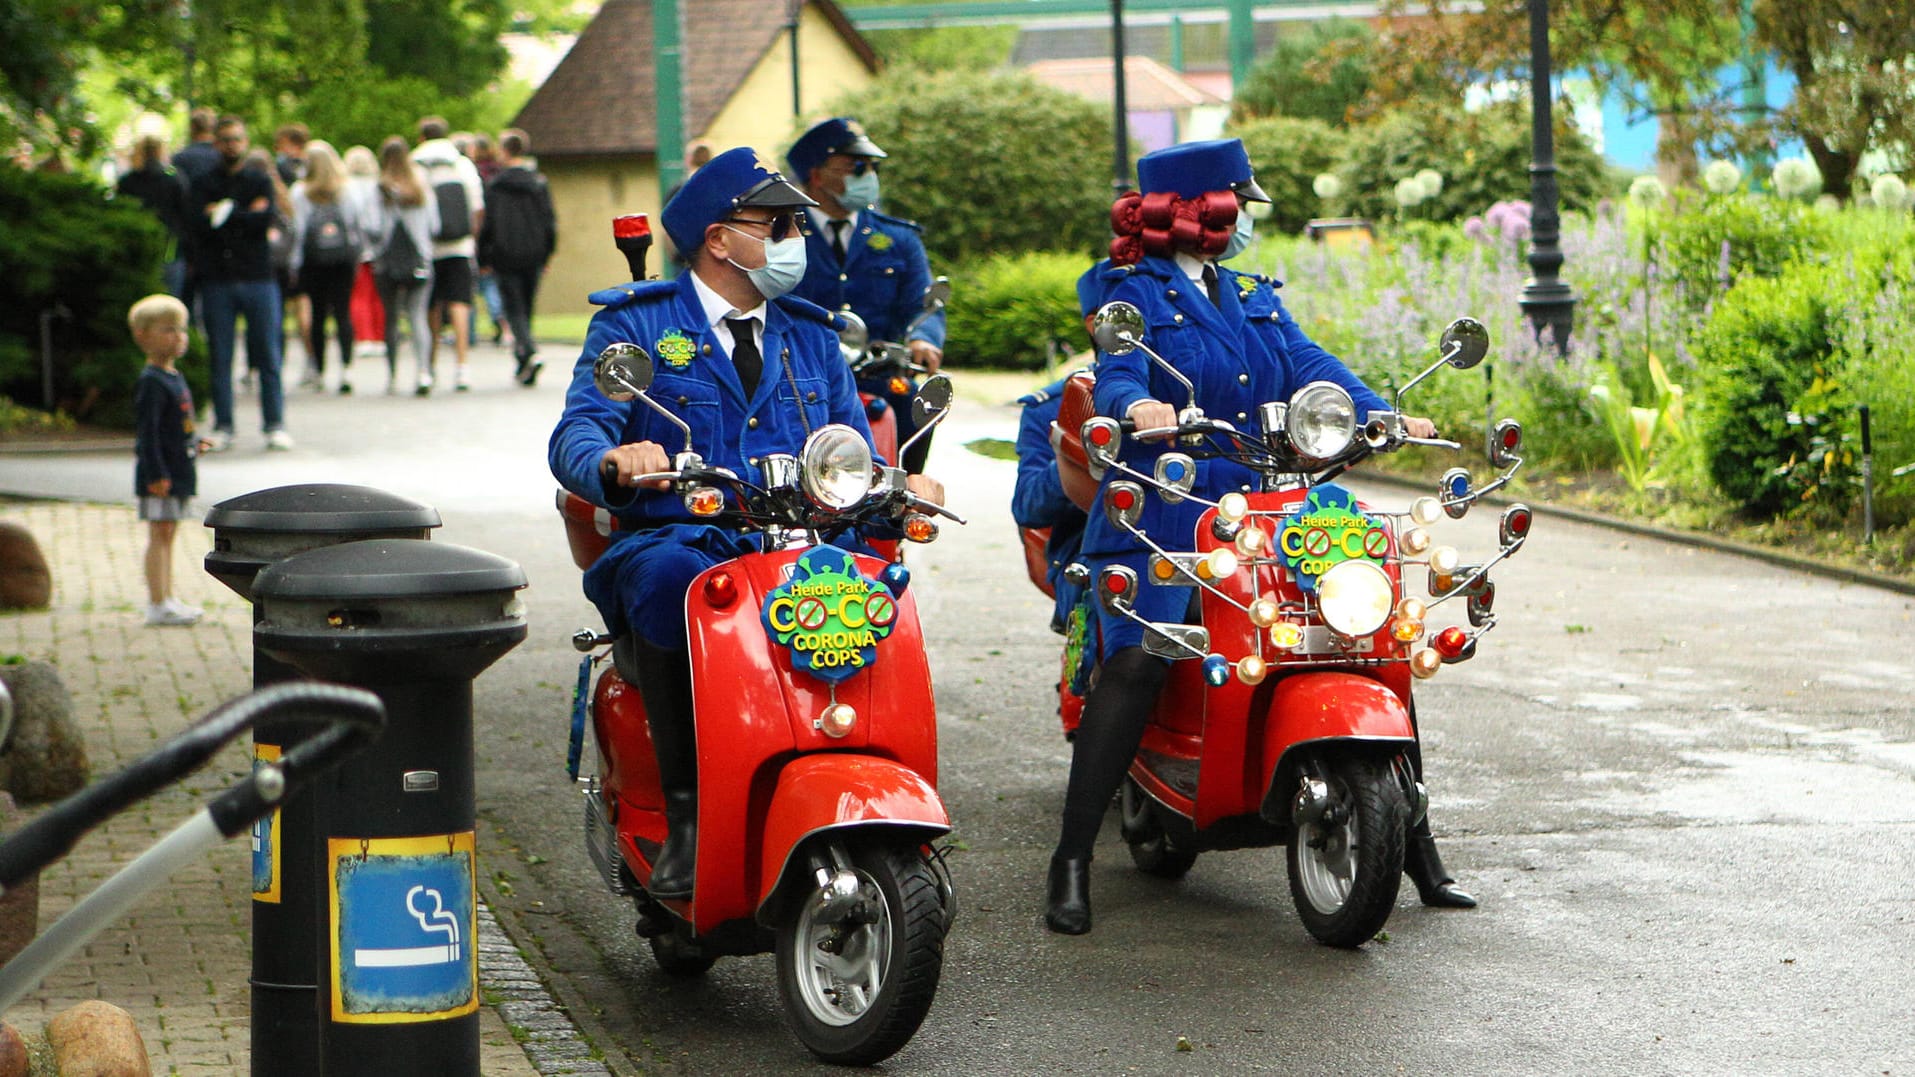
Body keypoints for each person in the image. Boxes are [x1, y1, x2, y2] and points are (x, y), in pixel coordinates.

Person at [1045, 139, 1451, 935]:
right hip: (1159, 511)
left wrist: (1378, 409)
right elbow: (1119, 364)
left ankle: (1417, 845)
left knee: (1362, 637)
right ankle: (1071, 860)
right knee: (1136, 663)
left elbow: (1307, 362)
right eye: (1240, 204)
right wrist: (1135, 410)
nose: (1249, 223)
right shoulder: (1128, 290)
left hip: (1257, 507)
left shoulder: (1250, 292)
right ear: (1201, 209)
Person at [548, 147, 946, 901]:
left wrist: (897, 479)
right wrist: (612, 459)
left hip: (800, 540)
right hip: (683, 537)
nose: (796, 236)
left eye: (798, 222)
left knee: (879, 580)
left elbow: (846, 442)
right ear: (719, 238)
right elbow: (577, 432)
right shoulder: (636, 325)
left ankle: (880, 784)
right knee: (668, 579)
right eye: (778, 223)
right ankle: (688, 812)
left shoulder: (810, 333)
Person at [786, 117, 947, 474]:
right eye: (856, 167)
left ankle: (904, 498)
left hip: (879, 373)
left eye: (872, 167)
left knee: (913, 402)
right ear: (816, 175)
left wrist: (923, 338)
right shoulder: (785, 237)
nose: (868, 175)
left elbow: (923, 303)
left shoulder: (899, 238)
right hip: (806, 375)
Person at [185, 115, 290, 452]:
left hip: (258, 276)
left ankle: (274, 423)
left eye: (237, 139)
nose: (232, 145)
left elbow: (263, 220)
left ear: (245, 142)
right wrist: (241, 214)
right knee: (221, 354)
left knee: (268, 354)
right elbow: (199, 225)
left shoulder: (259, 180)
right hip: (218, 278)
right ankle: (224, 423)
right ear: (216, 143)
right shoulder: (203, 182)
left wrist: (226, 213)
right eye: (225, 139)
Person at [129, 294, 208, 627]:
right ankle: (157, 602)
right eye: (168, 330)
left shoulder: (174, 377)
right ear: (143, 336)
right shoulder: (151, 382)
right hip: (160, 475)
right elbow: (148, 435)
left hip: (179, 469)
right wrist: (156, 473)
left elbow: (175, 426)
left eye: (181, 329)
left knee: (169, 534)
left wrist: (193, 441)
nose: (178, 337)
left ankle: (167, 597)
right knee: (159, 535)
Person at [478, 128, 556, 387]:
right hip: (534, 253)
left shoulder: (495, 186)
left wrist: (483, 256)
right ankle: (525, 354)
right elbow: (549, 222)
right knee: (526, 304)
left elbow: (487, 225)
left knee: (514, 307)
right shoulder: (538, 184)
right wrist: (547, 253)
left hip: (505, 253)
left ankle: (527, 351)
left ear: (505, 151)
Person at [412, 116, 485, 392]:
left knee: (430, 306)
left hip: (427, 248)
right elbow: (477, 206)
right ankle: (462, 367)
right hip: (460, 245)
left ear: (421, 137)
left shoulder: (415, 163)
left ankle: (428, 366)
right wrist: (471, 238)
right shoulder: (461, 163)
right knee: (460, 304)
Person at [291, 140, 368, 394]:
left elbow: (298, 230)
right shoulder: (347, 190)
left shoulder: (301, 192)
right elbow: (356, 226)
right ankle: (347, 368)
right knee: (342, 311)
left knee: (318, 315)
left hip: (313, 261)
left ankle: (319, 369)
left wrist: (295, 262)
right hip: (342, 260)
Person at [370, 136, 438, 395]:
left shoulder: (381, 190)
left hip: (387, 262)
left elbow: (372, 226)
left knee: (391, 317)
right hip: (419, 259)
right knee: (417, 315)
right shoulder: (421, 188)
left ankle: (392, 374)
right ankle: (423, 372)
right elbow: (435, 225)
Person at [116, 134, 190, 298]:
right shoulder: (174, 180)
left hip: (137, 251)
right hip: (170, 250)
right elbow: (186, 216)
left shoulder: (128, 182)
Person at [342, 145, 387, 354]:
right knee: (378, 294)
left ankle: (363, 337)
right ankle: (379, 337)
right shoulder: (378, 185)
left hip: (355, 248)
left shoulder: (345, 187)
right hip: (378, 248)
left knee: (359, 294)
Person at [663, 138, 714, 275]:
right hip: (714, 257)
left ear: (688, 159)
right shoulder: (716, 189)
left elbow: (666, 230)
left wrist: (674, 257)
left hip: (684, 260)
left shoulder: (677, 189)